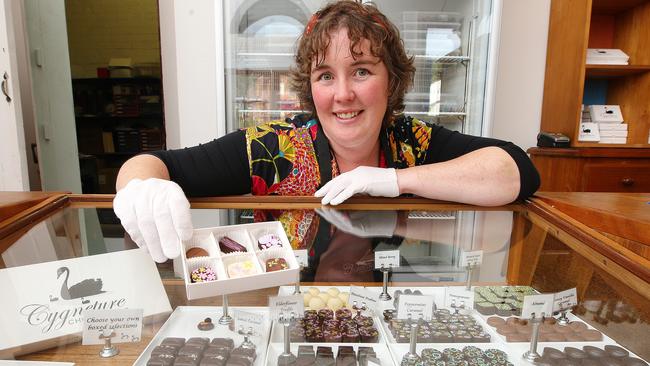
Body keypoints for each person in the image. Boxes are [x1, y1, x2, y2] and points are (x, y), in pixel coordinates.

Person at [113, 0, 540, 263]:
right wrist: (139, 188)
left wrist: (394, 180)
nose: (343, 94)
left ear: (391, 81)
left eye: (361, 71)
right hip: (283, 309)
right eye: (325, 76)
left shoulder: (411, 142)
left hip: (382, 302)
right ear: (309, 87)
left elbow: (517, 169)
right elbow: (152, 164)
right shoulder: (274, 148)